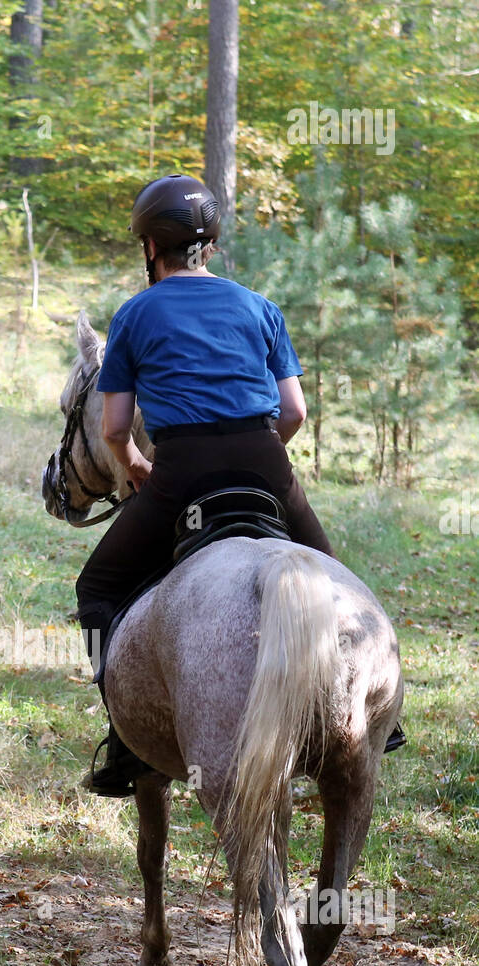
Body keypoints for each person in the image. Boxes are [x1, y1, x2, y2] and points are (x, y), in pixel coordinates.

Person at [78, 173, 405, 797]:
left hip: (181, 469)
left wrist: (142, 469)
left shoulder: (135, 314)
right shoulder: (260, 306)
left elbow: (116, 427)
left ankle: (125, 739)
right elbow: (296, 414)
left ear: (151, 247)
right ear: (211, 243)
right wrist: (258, 460)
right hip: (264, 462)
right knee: (339, 583)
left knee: (97, 587)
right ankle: (381, 721)